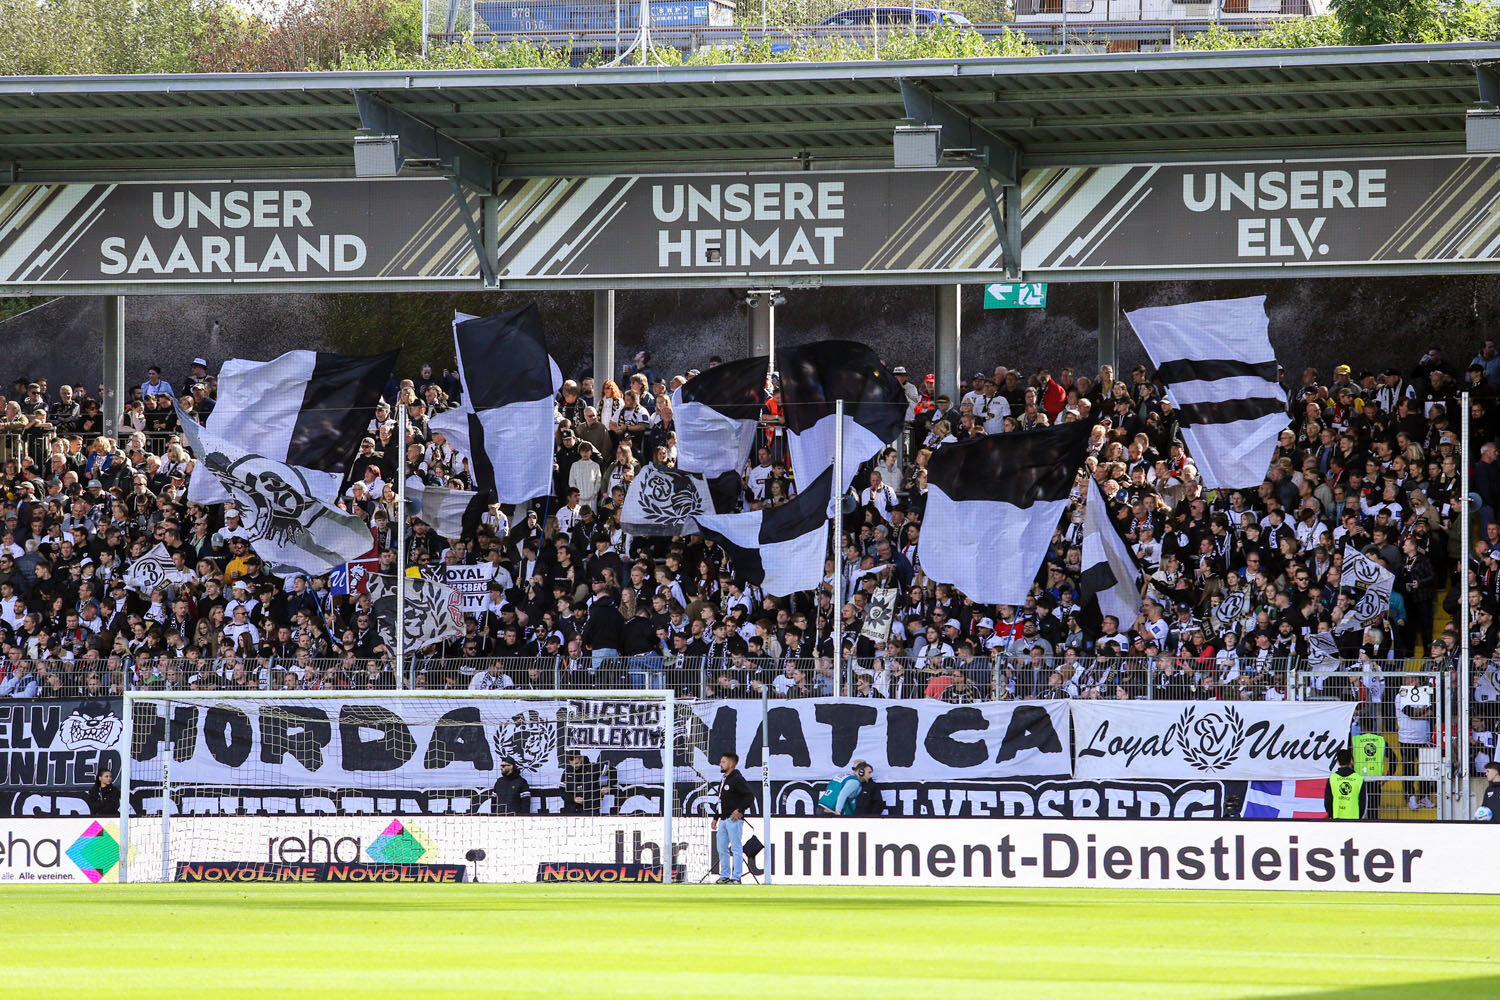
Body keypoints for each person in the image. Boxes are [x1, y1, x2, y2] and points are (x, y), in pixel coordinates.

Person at [714, 751, 752, 884]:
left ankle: (736, 877)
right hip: (723, 819)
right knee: (721, 848)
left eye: (723, 762)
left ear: (731, 764)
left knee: (736, 848)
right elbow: (721, 800)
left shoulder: (737, 779)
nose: (720, 764)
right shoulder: (724, 779)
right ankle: (724, 875)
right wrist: (715, 817)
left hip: (733, 819)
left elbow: (749, 796)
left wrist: (739, 810)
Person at [561, 751, 611, 815]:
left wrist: (608, 786)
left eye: (576, 763)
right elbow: (562, 791)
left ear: (581, 758)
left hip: (591, 808)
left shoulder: (593, 768)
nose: (574, 766)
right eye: (571, 764)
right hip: (572, 809)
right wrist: (573, 799)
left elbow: (613, 772)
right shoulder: (567, 772)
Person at [1324, 748, 1367, 820]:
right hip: (1354, 817)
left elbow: (1328, 801)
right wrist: (1359, 816)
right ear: (1351, 761)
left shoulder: (1332, 778)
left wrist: (1331, 815)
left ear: (1337, 762)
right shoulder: (1359, 779)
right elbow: (1363, 802)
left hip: (1336, 816)